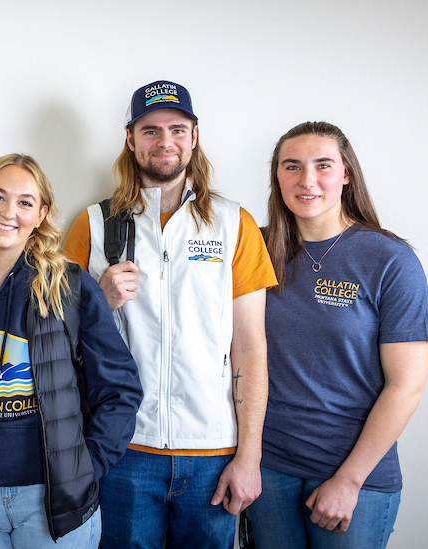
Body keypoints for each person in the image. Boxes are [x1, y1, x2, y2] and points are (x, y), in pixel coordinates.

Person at [63, 80, 277, 548]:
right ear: (130, 138)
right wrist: (100, 300)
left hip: (213, 453)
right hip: (123, 450)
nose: (165, 142)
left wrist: (249, 456)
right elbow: (55, 341)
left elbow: (250, 347)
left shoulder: (233, 224)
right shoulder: (93, 224)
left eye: (177, 129)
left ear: (194, 137)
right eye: (151, 130)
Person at [0, 153, 143, 547]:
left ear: (41, 214)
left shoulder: (71, 286)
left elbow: (120, 389)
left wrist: (85, 467)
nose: (8, 212)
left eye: (25, 202)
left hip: (52, 502)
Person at [245, 121, 428, 548]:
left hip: (354, 473)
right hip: (267, 466)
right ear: (277, 177)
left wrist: (348, 481)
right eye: (291, 166)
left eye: (322, 165)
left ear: (346, 174)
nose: (306, 180)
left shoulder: (390, 260)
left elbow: (407, 385)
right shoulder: (255, 249)